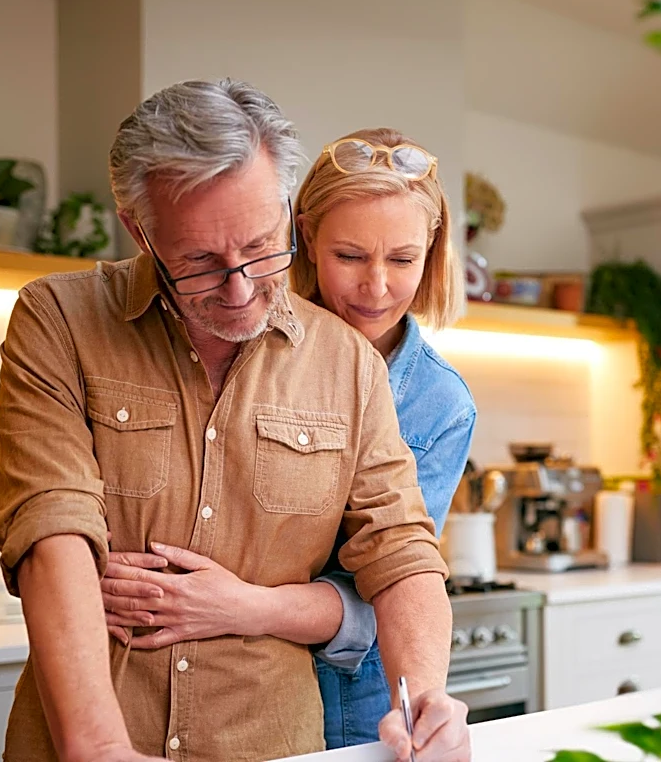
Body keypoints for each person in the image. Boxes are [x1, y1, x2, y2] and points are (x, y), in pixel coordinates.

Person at [0, 79, 467, 762]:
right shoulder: (58, 321)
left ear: (285, 211)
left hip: (270, 744)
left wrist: (425, 700)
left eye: (260, 246)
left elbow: (400, 552)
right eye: (200, 262)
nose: (241, 289)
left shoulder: (347, 362)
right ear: (138, 226)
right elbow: (51, 522)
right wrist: (97, 748)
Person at [103, 127, 476, 754]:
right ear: (300, 235)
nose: (376, 286)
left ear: (433, 252)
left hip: (357, 697)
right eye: (350, 256)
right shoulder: (235, 324)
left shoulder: (441, 403)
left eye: (403, 259)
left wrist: (242, 604)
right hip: (206, 687)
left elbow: (383, 582)